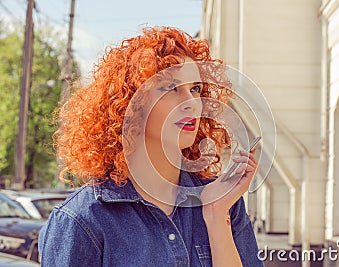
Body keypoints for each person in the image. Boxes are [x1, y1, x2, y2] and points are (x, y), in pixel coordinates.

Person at [38, 26, 263, 267]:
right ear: (132, 104)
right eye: (170, 88)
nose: (191, 103)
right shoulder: (82, 220)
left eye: (195, 89)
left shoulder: (224, 204)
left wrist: (216, 216)